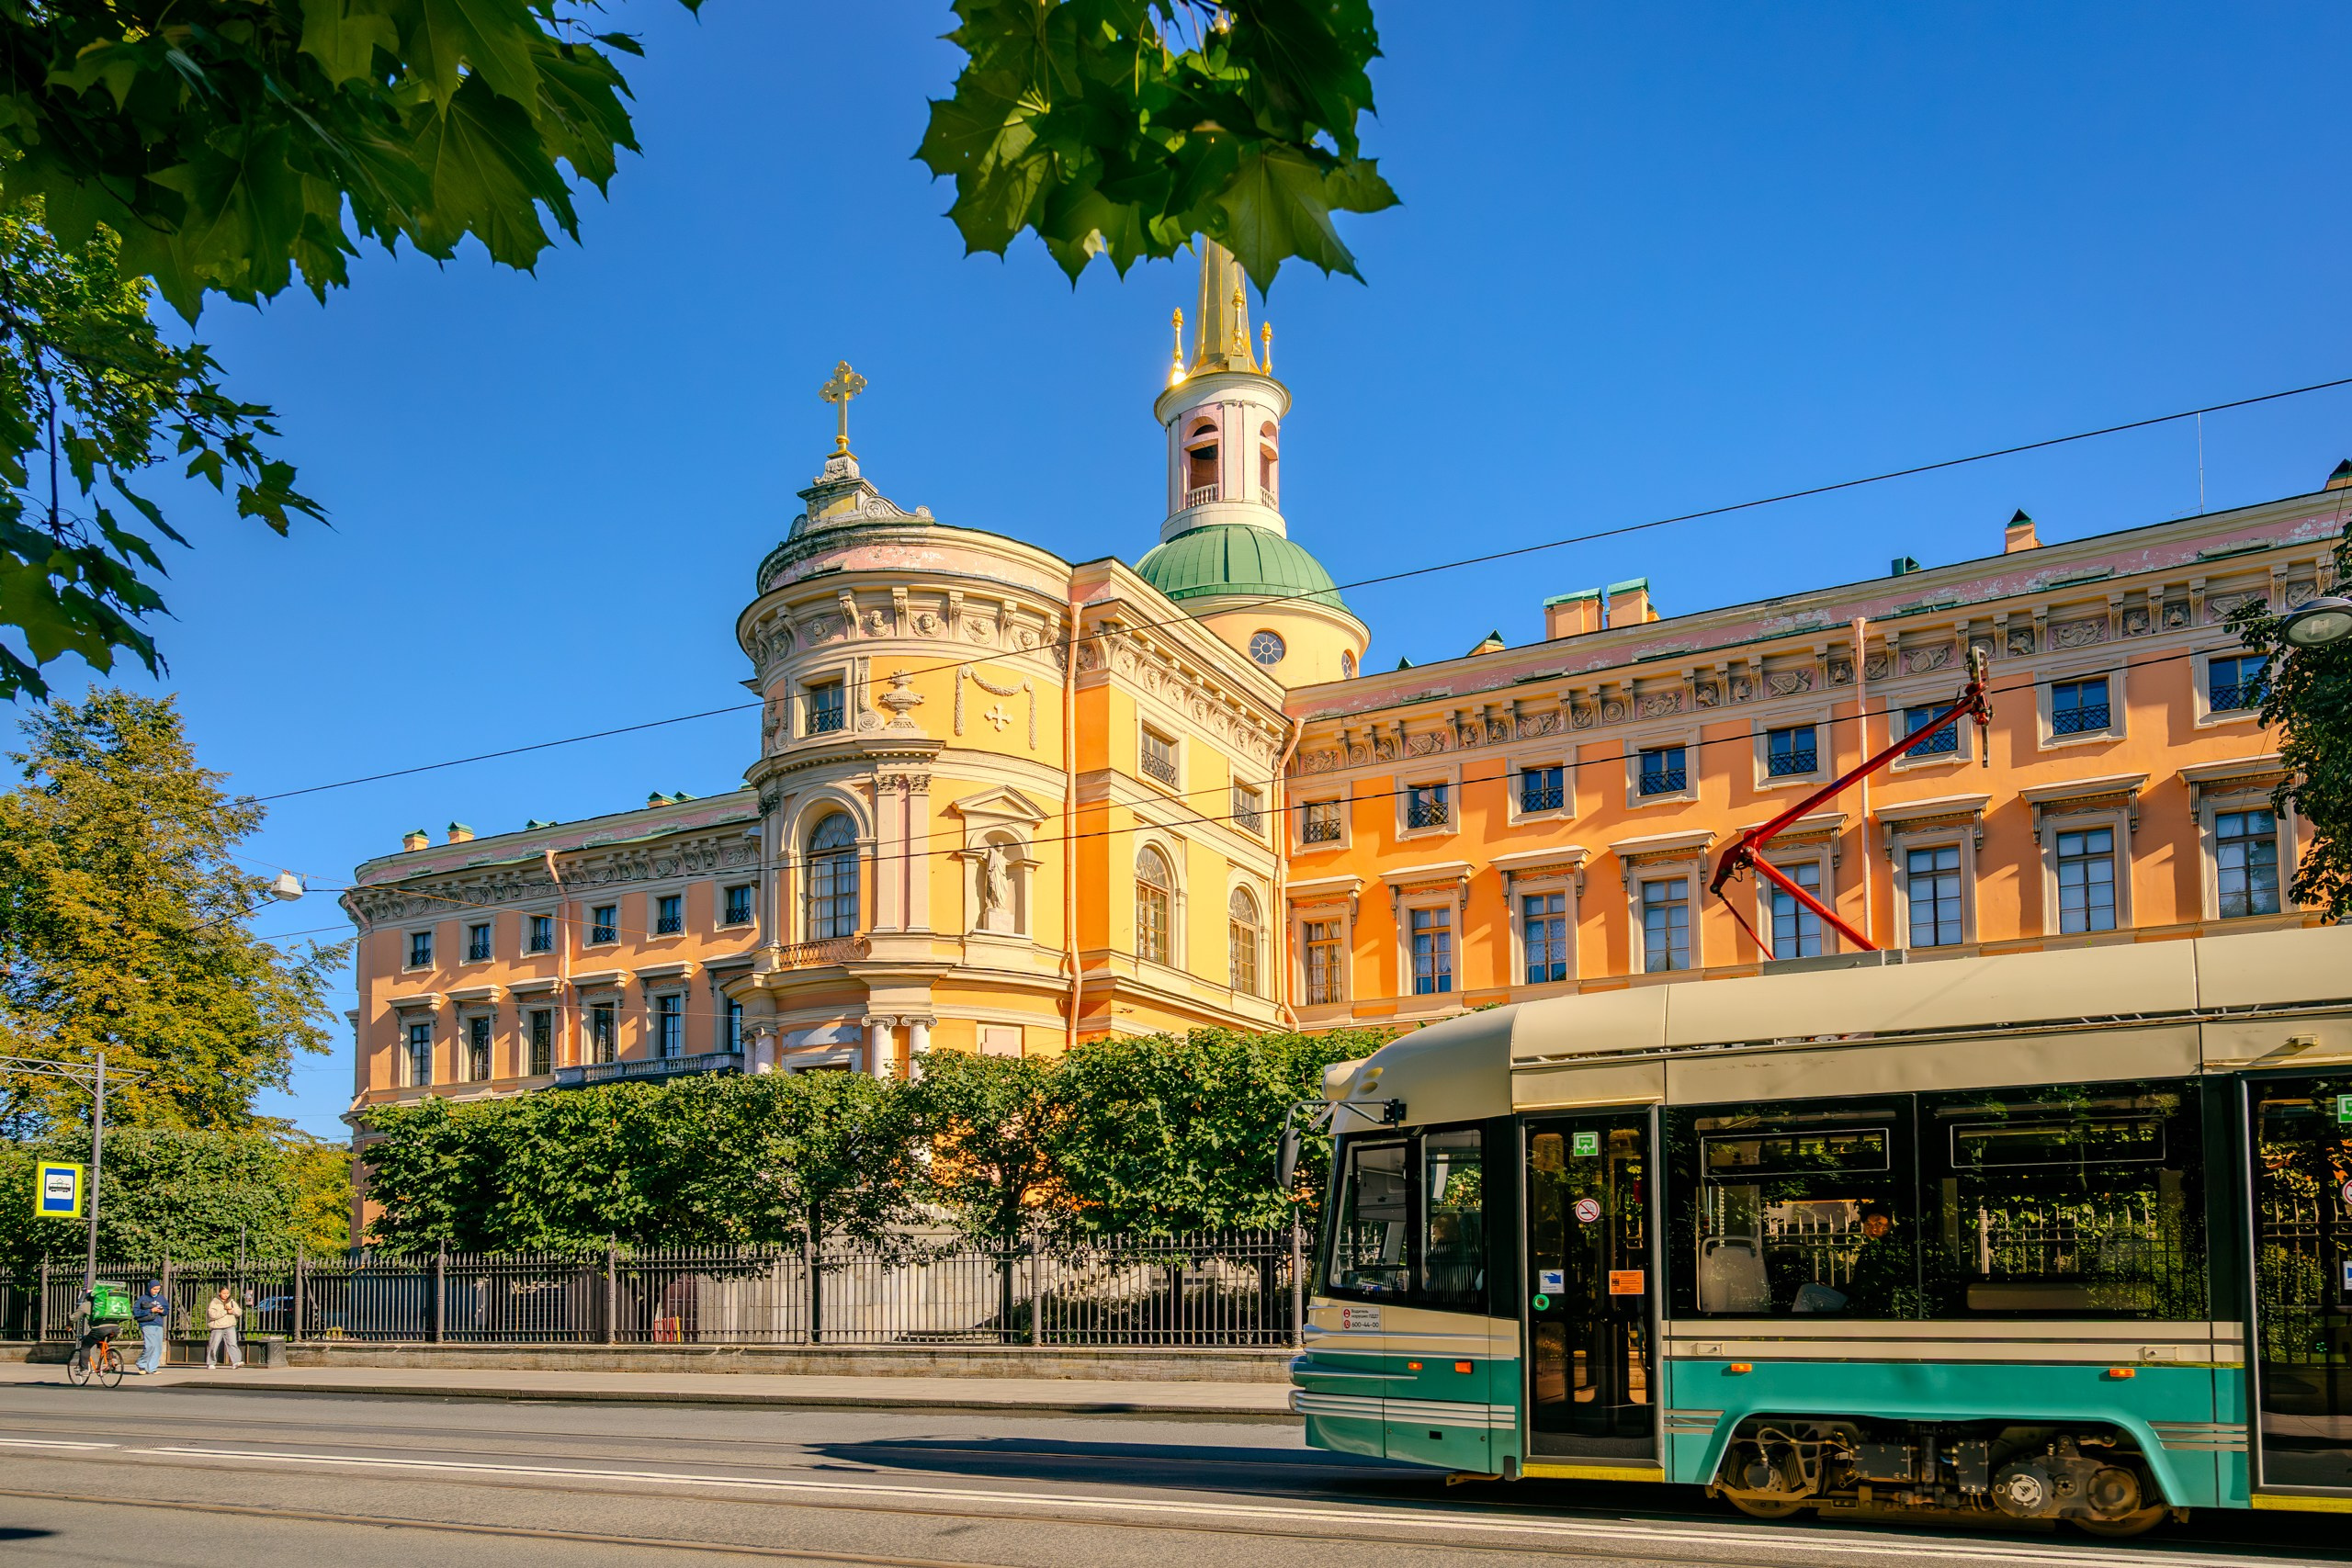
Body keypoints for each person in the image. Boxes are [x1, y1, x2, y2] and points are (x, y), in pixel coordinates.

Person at [130, 1279, 169, 1374]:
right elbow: (136, 1312)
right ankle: (141, 1364)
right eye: (154, 1289)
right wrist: (151, 1311)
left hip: (158, 1324)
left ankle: (152, 1368)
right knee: (150, 1345)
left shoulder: (161, 1298)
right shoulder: (143, 1298)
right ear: (150, 1288)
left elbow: (167, 1310)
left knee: (158, 1347)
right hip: (147, 1324)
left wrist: (162, 1311)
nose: (156, 1291)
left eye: (158, 1289)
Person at [204, 1286, 244, 1369]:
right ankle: (211, 1362)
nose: (226, 1295)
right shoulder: (214, 1302)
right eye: (224, 1293)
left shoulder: (232, 1302)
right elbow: (212, 1315)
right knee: (214, 1345)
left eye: (227, 1293)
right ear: (219, 1293)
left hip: (230, 1326)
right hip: (217, 1327)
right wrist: (225, 1312)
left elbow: (239, 1312)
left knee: (232, 1344)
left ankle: (236, 1361)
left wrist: (232, 1310)